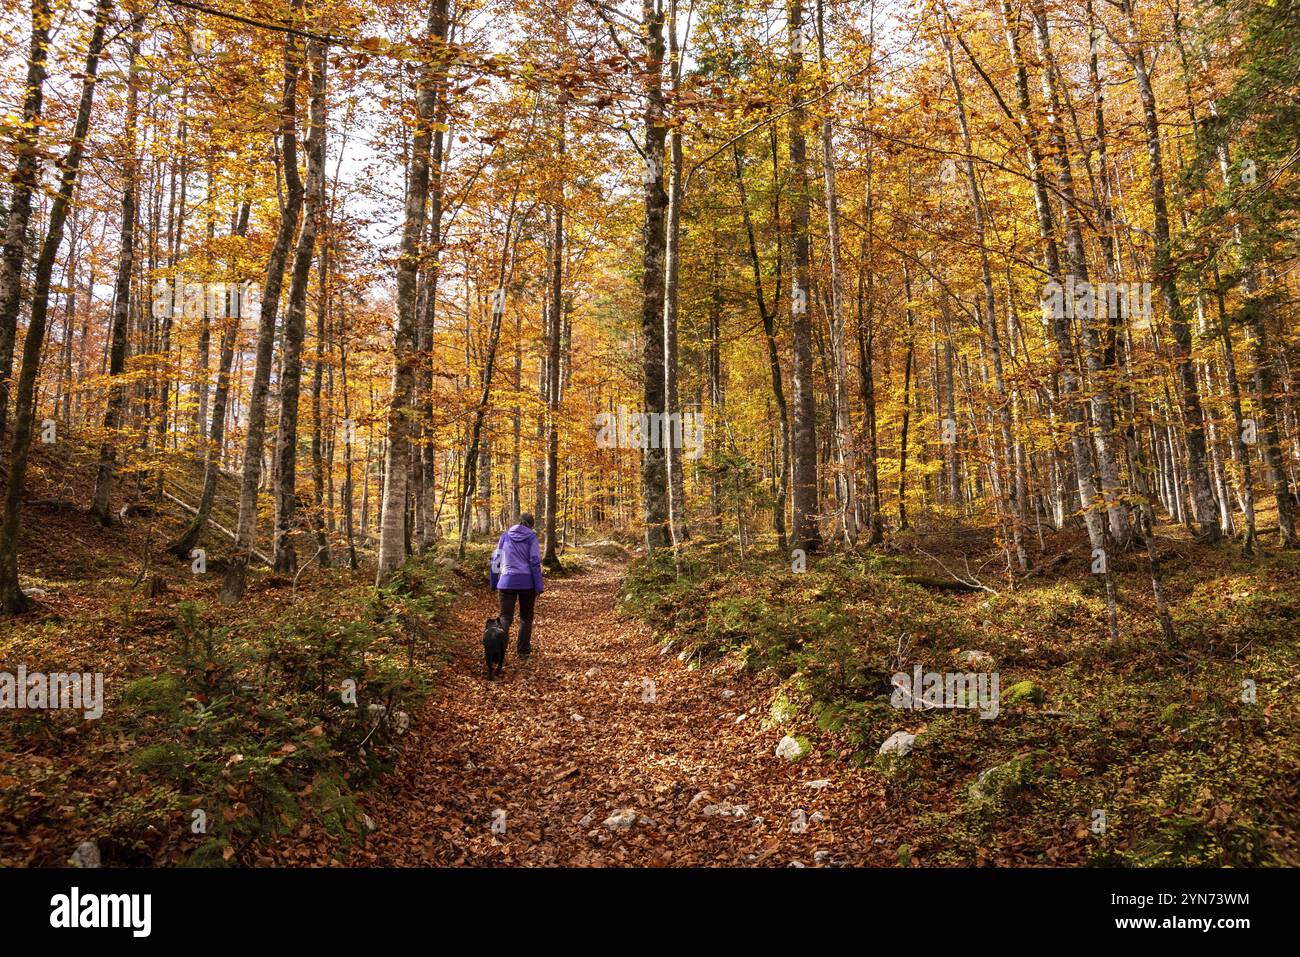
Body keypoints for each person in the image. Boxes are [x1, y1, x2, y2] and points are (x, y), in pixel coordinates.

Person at [488, 513, 544, 658]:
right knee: (526, 617)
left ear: (519, 521)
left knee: (505, 617)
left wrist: (494, 582)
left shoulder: (505, 536)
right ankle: (523, 651)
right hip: (527, 584)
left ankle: (498, 651)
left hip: (506, 582)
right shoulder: (531, 538)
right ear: (531, 525)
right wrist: (538, 586)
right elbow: (534, 562)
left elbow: (495, 560)